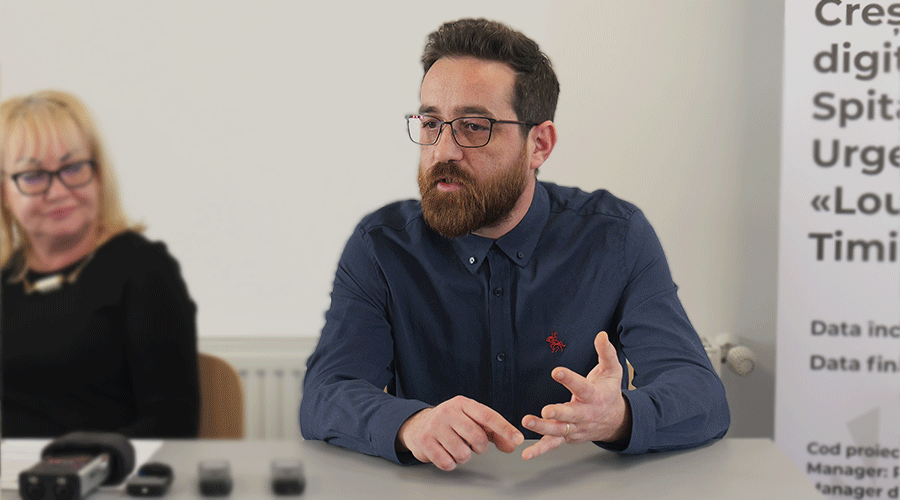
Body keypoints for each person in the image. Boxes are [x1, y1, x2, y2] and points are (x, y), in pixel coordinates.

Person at [300, 18, 729, 470]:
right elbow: (326, 394)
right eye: (431, 123)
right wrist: (412, 424)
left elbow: (703, 398)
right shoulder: (381, 246)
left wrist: (618, 417)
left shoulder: (616, 238)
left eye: (473, 126)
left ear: (538, 144)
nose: (442, 150)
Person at [1, 90, 200, 438]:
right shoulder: (6, 276)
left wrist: (85, 463)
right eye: (33, 176)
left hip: (104, 471)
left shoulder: (144, 271)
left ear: (98, 173)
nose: (58, 192)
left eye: (73, 168)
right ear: (4, 191)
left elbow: (172, 423)